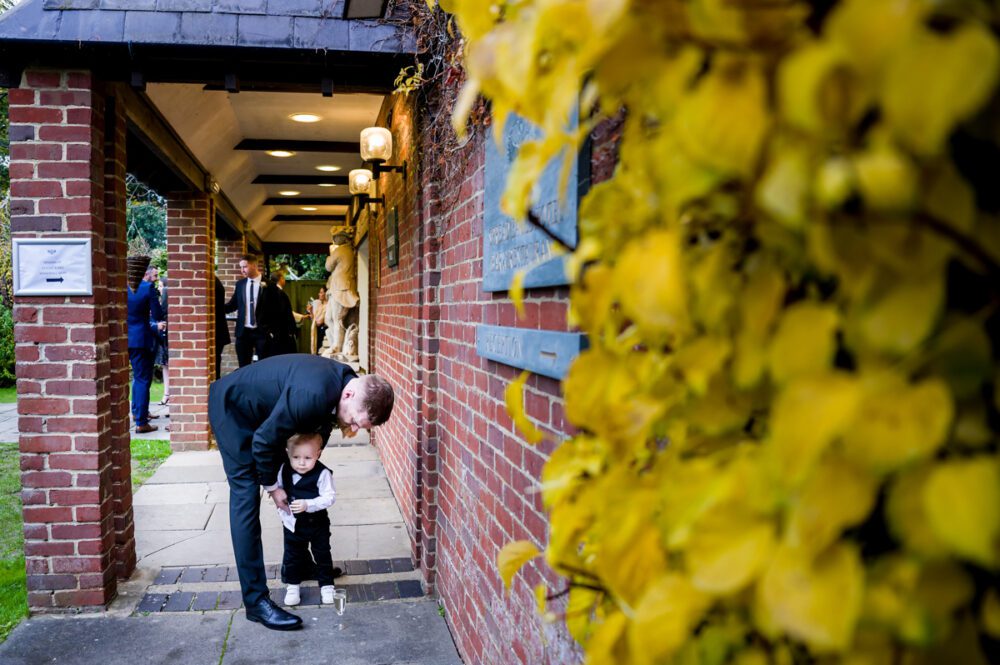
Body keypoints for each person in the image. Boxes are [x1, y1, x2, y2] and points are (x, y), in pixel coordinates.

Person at [208, 355, 394, 630]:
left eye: (360, 426)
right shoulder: (313, 394)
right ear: (350, 393)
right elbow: (262, 441)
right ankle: (256, 602)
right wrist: (273, 488)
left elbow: (313, 434)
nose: (353, 428)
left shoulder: (344, 382)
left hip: (265, 416)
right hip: (234, 411)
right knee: (246, 497)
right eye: (356, 420)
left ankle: (302, 564)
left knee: (297, 480)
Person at [275, 432, 337, 606]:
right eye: (296, 457)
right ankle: (293, 586)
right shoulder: (284, 469)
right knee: (292, 556)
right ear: (288, 453)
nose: (301, 462)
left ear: (318, 454)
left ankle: (326, 586)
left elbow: (329, 497)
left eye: (308, 457)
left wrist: (308, 504)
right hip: (292, 524)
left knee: (322, 554)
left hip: (317, 524)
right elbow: (278, 488)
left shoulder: (323, 473)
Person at [127, 256, 165, 434]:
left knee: (137, 378)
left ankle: (136, 412)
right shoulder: (147, 288)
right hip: (143, 339)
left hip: (127, 338)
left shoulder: (122, 288)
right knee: (143, 379)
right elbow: (157, 314)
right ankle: (142, 422)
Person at [224, 254, 268, 367]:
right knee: (243, 366)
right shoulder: (240, 284)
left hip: (262, 333)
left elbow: (275, 310)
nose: (242, 270)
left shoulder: (269, 285)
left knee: (265, 365)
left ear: (254, 265)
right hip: (243, 333)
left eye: (244, 267)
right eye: (241, 267)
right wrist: (216, 307)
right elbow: (232, 305)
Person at [323, 234, 359, 358]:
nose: (334, 239)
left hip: (341, 288)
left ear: (343, 238)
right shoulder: (345, 250)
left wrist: (330, 253)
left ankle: (337, 346)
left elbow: (328, 266)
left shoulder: (341, 249)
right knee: (328, 318)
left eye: (336, 236)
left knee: (337, 318)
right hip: (336, 288)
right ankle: (336, 343)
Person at [262, 272, 303, 358]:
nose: (284, 280)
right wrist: (291, 331)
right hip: (282, 333)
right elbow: (285, 313)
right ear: (280, 279)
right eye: (283, 278)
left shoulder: (274, 292)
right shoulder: (279, 293)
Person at [151, 272, 170, 406]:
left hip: (166, 335)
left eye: (161, 285)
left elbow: (161, 314)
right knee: (165, 365)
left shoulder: (166, 297)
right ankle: (166, 394)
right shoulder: (162, 297)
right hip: (163, 335)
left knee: (167, 365)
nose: (159, 288)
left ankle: (168, 394)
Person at [214, 275, 232, 378]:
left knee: (215, 361)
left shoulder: (212, 282)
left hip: (217, 329)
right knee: (216, 360)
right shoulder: (215, 280)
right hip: (219, 329)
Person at [310, 287, 327, 355]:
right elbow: (313, 319)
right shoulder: (320, 304)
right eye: (320, 292)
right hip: (317, 329)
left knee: (320, 350)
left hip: (323, 330)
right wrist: (311, 311)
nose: (319, 294)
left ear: (326, 294)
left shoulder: (327, 306)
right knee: (316, 349)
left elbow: (318, 322)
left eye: (321, 292)